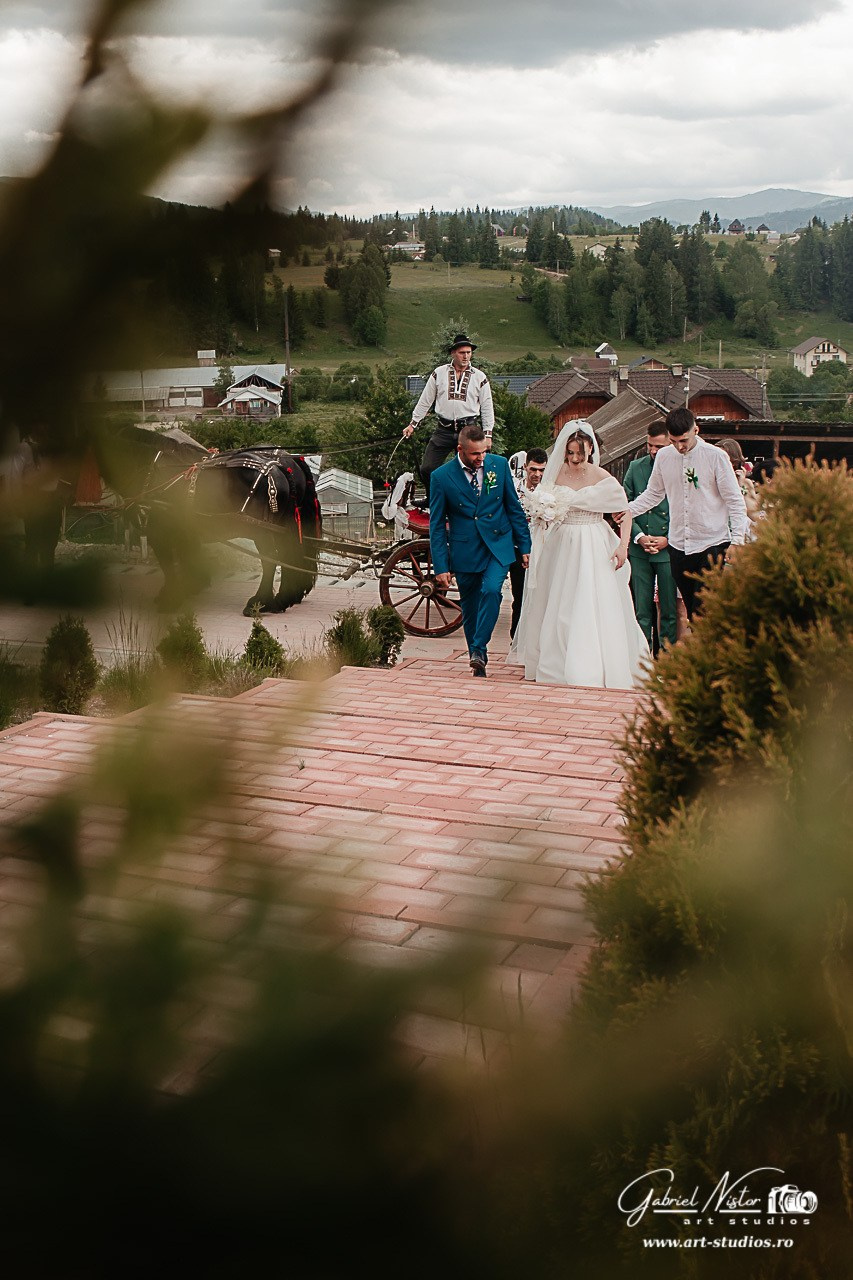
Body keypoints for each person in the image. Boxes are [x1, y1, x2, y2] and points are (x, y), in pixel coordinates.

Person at [508, 422, 649, 689]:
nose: (574, 459)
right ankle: (556, 661)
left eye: (579, 454)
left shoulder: (601, 476)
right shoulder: (555, 473)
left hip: (593, 541)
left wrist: (623, 546)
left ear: (589, 451)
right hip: (561, 542)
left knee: (590, 600)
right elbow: (542, 504)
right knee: (559, 601)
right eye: (570, 453)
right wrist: (543, 512)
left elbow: (624, 512)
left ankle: (591, 663)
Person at [626, 407, 749, 622]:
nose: (679, 447)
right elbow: (653, 494)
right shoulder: (664, 456)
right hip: (679, 546)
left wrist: (737, 541)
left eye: (683, 440)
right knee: (692, 612)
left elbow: (735, 501)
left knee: (705, 610)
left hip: (712, 542)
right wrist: (626, 512)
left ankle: (709, 651)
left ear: (696, 431)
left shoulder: (716, 457)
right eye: (674, 441)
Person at [429, 424, 530, 677]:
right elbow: (437, 526)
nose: (481, 458)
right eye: (475, 454)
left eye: (484, 452)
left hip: (498, 544)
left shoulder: (498, 464)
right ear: (460, 449)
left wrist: (525, 546)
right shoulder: (441, 477)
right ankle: (478, 658)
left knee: (492, 590)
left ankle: (478, 648)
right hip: (465, 549)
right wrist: (441, 566)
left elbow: (513, 507)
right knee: (470, 606)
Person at [402, 334, 495, 495]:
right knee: (427, 468)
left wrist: (488, 434)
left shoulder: (480, 377)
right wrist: (413, 423)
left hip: (469, 431)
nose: (466, 356)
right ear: (453, 353)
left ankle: (471, 503)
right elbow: (426, 400)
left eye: (468, 352)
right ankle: (434, 501)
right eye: (462, 352)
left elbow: (487, 407)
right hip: (443, 429)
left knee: (473, 469)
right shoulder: (439, 373)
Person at [623, 423, 677, 652]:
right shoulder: (636, 467)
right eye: (650, 445)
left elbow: (686, 508)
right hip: (640, 550)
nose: (653, 451)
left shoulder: (677, 467)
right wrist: (639, 536)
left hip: (668, 547)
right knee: (641, 609)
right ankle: (641, 657)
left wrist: (668, 538)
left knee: (669, 609)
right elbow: (623, 507)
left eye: (659, 446)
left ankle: (665, 659)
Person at [509, 447, 547, 640]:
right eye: (533, 469)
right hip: (518, 548)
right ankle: (515, 637)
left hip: (543, 549)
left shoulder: (548, 492)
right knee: (520, 595)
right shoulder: (514, 488)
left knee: (541, 596)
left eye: (541, 470)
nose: (537, 474)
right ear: (526, 467)